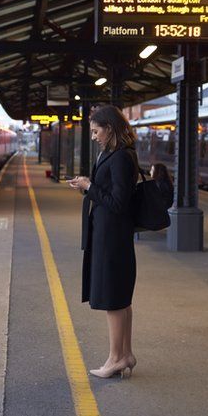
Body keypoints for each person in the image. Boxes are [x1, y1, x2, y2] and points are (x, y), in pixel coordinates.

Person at [68, 104, 139, 379]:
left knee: (113, 299)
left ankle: (115, 359)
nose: (94, 136)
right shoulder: (112, 153)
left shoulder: (121, 157)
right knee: (121, 299)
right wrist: (87, 186)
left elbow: (119, 203)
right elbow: (107, 194)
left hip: (113, 238)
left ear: (110, 128)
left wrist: (89, 187)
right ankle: (127, 354)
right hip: (108, 235)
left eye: (97, 131)